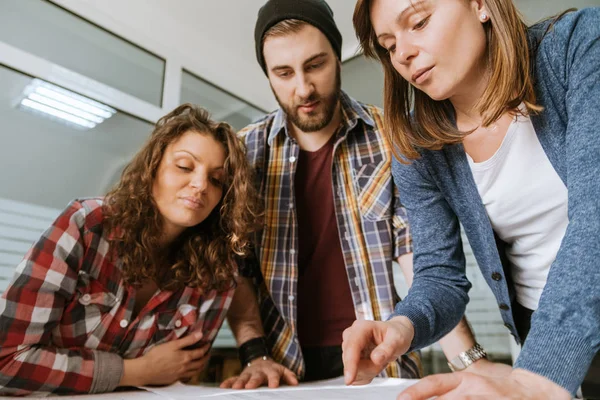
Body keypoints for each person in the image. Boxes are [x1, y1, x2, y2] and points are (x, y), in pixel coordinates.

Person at [344, 1, 600, 398]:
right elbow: (439, 275)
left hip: (554, 347)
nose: (404, 54)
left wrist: (537, 377)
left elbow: (595, 219)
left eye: (419, 22)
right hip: (540, 338)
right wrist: (402, 325)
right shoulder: (417, 147)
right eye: (389, 45)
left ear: (480, 5)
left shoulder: (578, 45)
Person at [219, 0, 427, 389]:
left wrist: (467, 358)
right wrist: (254, 353)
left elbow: (419, 256)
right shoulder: (245, 153)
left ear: (337, 56)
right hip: (282, 368)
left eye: (316, 65)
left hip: (381, 358)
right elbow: (236, 269)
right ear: (268, 75)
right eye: (283, 72)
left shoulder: (391, 135)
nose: (304, 88)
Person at [0, 104, 261, 396]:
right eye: (184, 166)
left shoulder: (217, 270)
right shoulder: (88, 224)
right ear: (152, 169)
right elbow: (7, 358)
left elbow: (177, 382)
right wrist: (135, 371)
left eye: (217, 180)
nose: (200, 185)